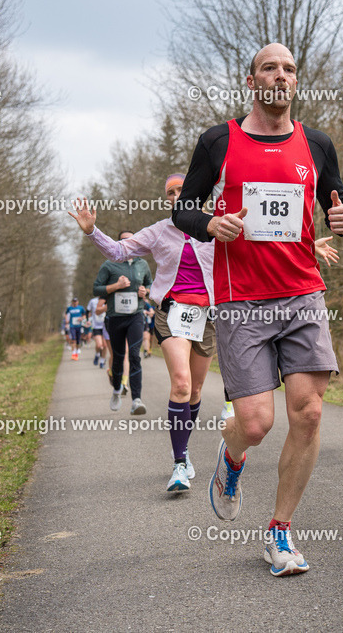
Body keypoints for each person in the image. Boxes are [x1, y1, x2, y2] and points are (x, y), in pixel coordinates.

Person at [173, 42, 343, 576]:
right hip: (241, 299)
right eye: (269, 68)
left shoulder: (316, 144)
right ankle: (231, 461)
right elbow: (186, 206)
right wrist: (209, 224)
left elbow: (336, 201)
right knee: (254, 423)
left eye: (289, 68)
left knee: (310, 411)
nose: (280, 75)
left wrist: (342, 216)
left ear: (297, 82)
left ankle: (280, 531)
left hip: (303, 292)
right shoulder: (218, 141)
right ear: (251, 81)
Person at [71, 173, 217, 491]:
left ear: (197, 190)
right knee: (181, 384)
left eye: (182, 189)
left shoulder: (216, 226)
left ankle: (185, 449)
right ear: (167, 199)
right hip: (171, 312)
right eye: (171, 192)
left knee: (195, 391)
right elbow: (119, 251)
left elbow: (256, 250)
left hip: (207, 316)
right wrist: (92, 231)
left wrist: (304, 246)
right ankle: (179, 464)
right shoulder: (159, 231)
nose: (177, 195)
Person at [91, 231, 153, 415]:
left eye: (132, 240)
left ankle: (136, 400)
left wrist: (146, 291)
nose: (129, 243)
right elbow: (96, 289)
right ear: (119, 243)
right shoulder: (109, 264)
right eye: (124, 241)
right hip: (115, 318)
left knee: (134, 355)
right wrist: (115, 287)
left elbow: (150, 283)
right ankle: (117, 389)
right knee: (117, 358)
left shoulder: (143, 264)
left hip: (136, 315)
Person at [87, 296, 108, 368]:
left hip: (106, 325)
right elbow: (87, 311)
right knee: (99, 345)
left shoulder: (108, 299)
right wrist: (88, 320)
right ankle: (97, 355)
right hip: (96, 326)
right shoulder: (93, 301)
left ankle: (102, 361)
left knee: (105, 345)